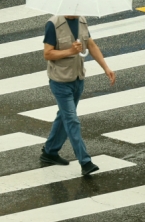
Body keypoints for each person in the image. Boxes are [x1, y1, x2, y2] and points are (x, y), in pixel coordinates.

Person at [40, 15, 116, 176]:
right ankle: (85, 161)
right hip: (60, 81)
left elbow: (91, 44)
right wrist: (70, 51)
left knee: (64, 116)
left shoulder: (82, 21)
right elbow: (47, 54)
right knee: (71, 120)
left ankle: (50, 152)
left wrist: (106, 68)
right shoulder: (53, 24)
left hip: (77, 79)